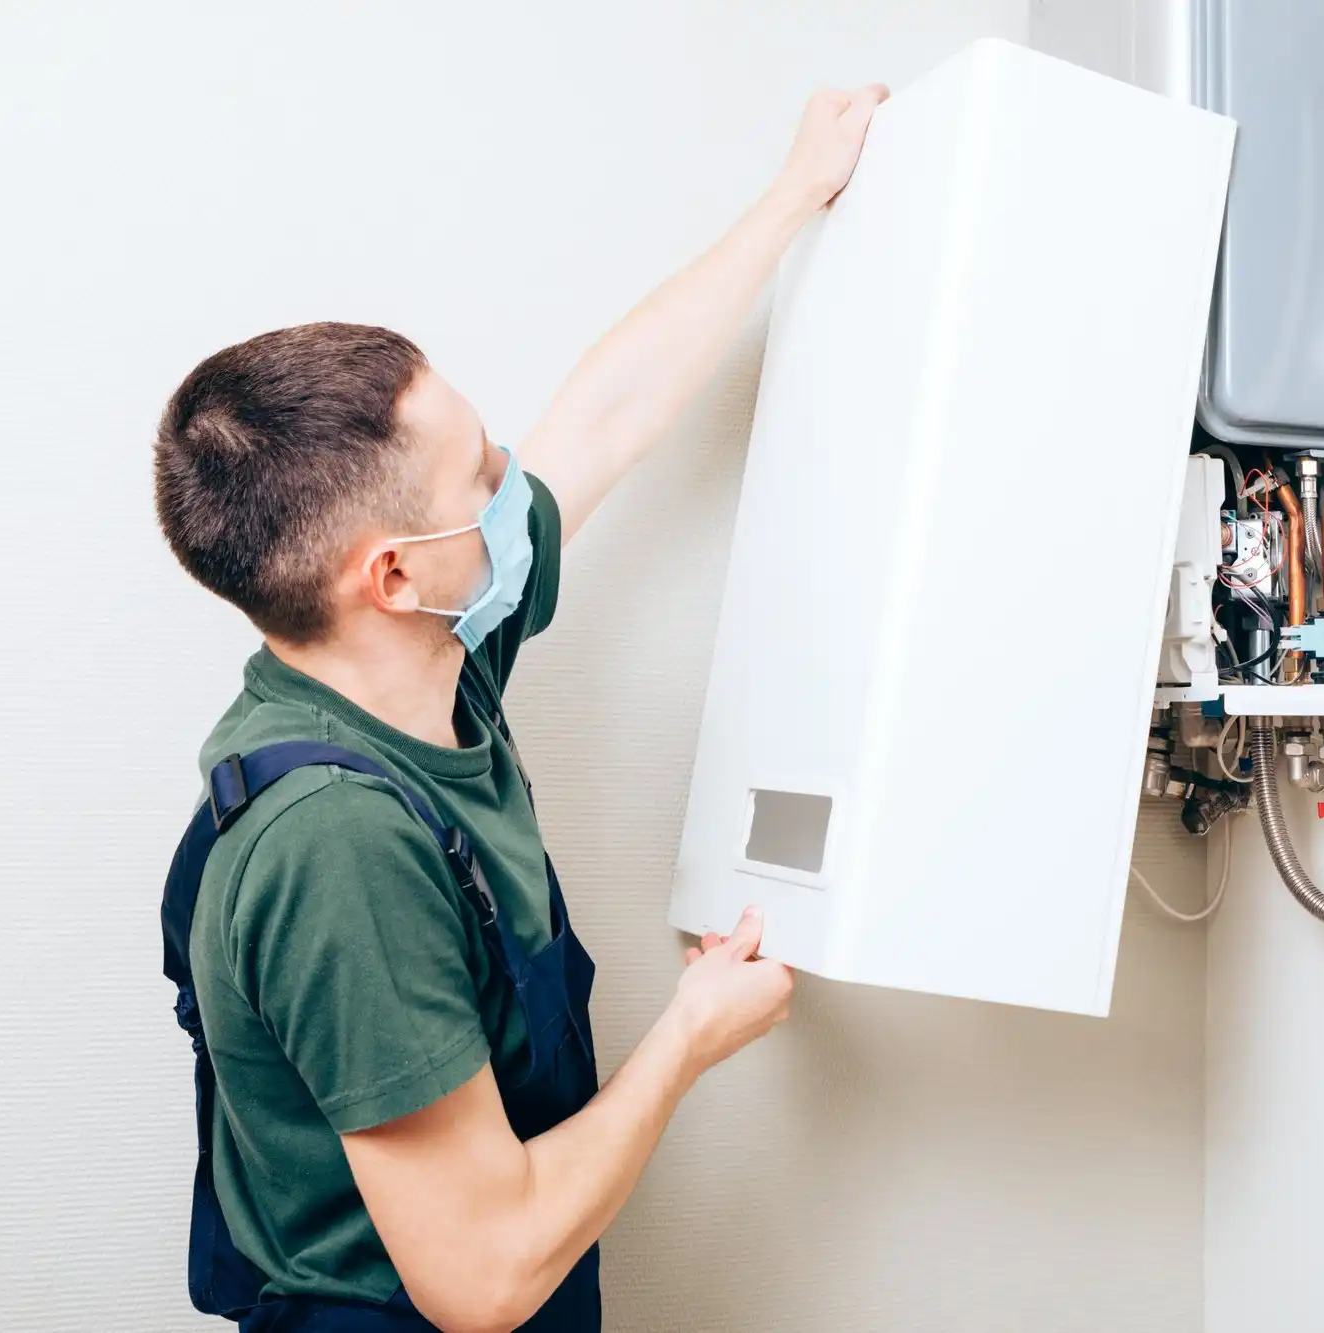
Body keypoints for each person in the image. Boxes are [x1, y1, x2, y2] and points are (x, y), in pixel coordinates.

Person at [151, 84, 889, 1333]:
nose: (511, 484)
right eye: (479, 473)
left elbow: (599, 422)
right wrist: (691, 1038)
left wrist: (789, 199)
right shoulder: (340, 848)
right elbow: (481, 1277)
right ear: (389, 574)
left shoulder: (421, 662)